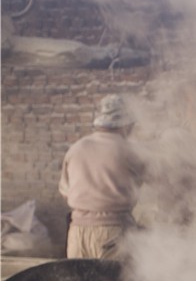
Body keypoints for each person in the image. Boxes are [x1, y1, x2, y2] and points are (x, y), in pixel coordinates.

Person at [59, 94, 143, 260]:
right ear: (126, 125)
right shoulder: (129, 150)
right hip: (113, 232)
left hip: (77, 232)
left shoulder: (76, 148)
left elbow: (65, 190)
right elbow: (159, 181)